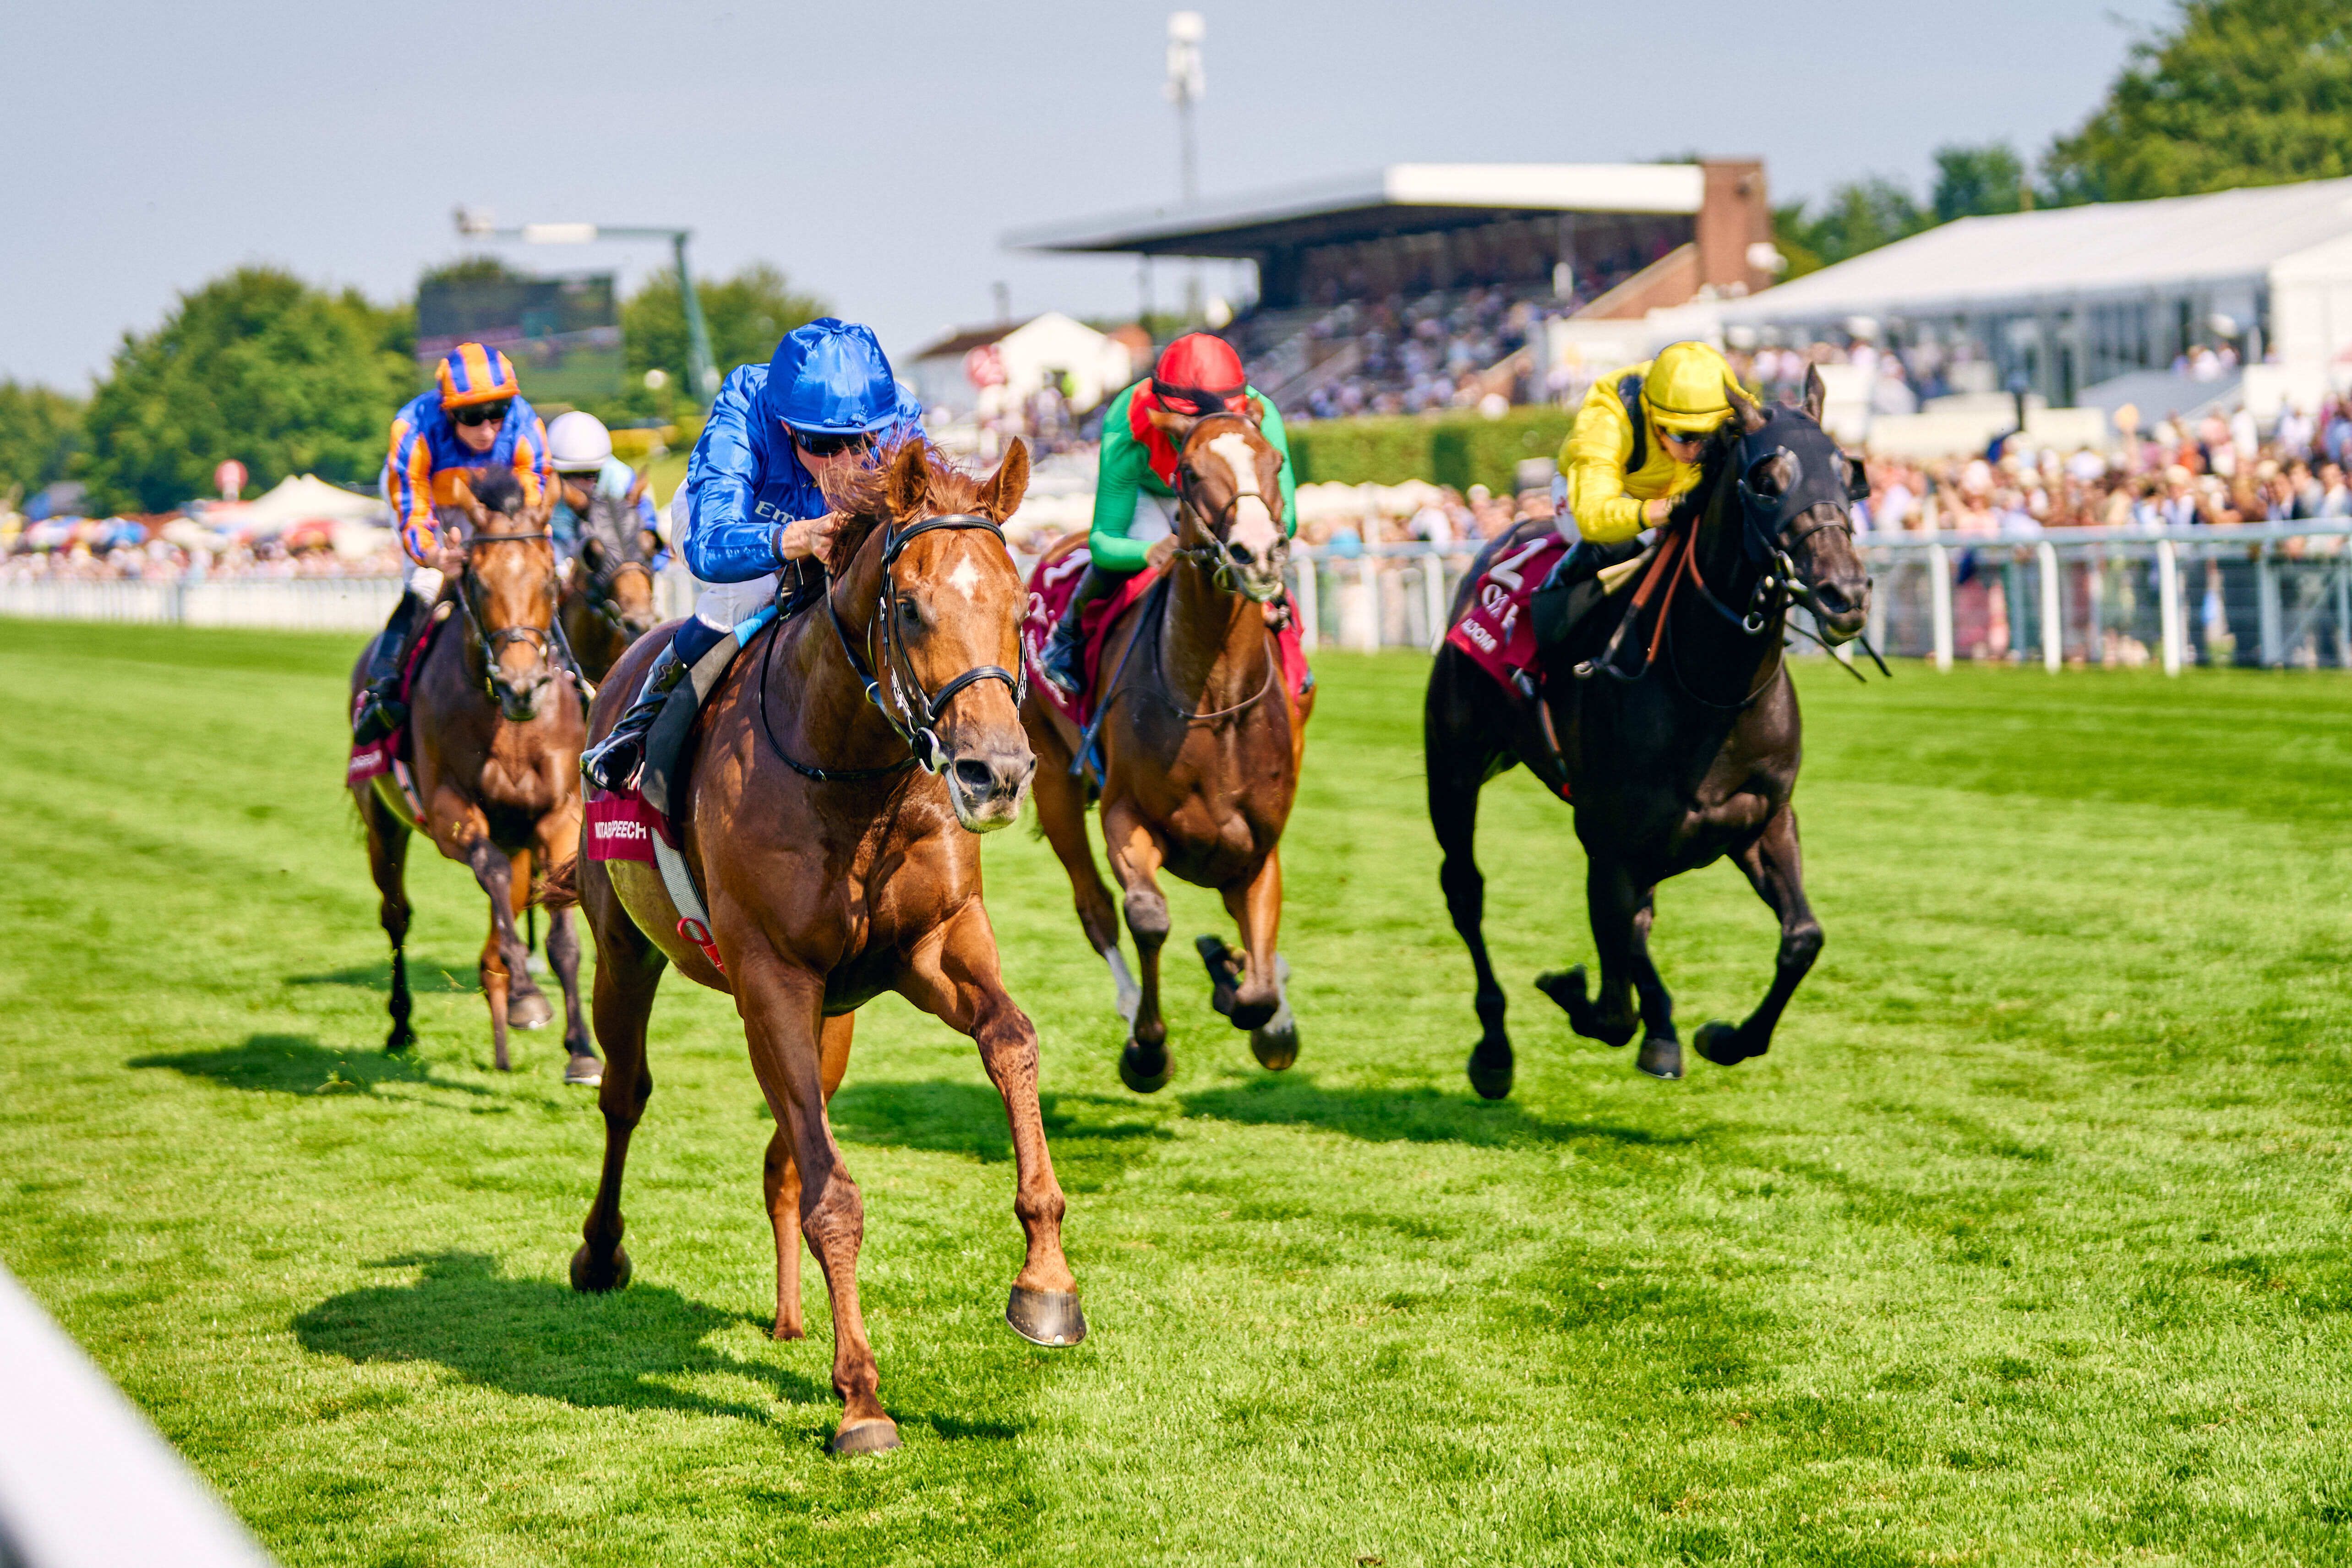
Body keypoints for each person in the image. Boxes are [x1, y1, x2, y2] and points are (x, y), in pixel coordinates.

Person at [580, 318, 921, 794]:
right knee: (749, 594)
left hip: (830, 528)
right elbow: (709, 547)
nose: (842, 464)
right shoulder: (746, 401)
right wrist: (794, 539)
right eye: (821, 445)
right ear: (785, 425)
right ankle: (636, 730)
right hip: (728, 520)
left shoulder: (898, 416)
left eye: (860, 444)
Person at [1037, 333, 1299, 695]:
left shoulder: (1261, 414)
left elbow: (1288, 521)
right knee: (1132, 569)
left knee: (1259, 551)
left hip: (1220, 500)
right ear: (1164, 409)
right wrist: (1145, 551)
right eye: (1192, 424)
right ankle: (1068, 637)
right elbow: (1103, 542)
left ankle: (1291, 648)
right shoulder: (1127, 422)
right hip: (1151, 494)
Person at [353, 344, 552, 743]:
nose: (488, 429)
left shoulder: (527, 425)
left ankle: (574, 677)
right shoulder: (412, 429)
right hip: (429, 500)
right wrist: (434, 554)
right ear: (448, 411)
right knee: (426, 585)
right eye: (472, 417)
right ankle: (382, 688)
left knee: (531, 577)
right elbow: (412, 508)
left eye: (498, 414)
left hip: (490, 503)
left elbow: (534, 494)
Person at [1529, 340, 1741, 652]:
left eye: (1709, 436)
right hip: (1594, 494)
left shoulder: (1724, 400)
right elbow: (1593, 516)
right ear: (1655, 422)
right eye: (1684, 436)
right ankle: (1552, 605)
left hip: (1673, 496)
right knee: (1628, 541)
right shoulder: (1610, 414)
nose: (1697, 450)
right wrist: (1668, 510)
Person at [546, 410, 661, 563]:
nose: (582, 484)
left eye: (590, 475)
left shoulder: (622, 480)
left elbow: (647, 526)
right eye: (571, 475)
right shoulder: (542, 483)